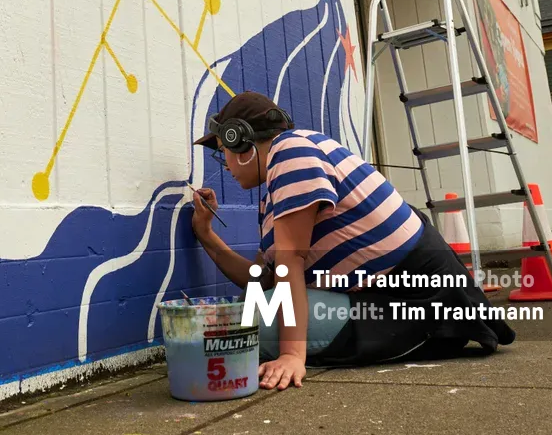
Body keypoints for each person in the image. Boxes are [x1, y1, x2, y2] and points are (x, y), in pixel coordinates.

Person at [191, 91, 515, 391]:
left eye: (225, 153)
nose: (226, 166)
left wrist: (292, 354)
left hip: (413, 304)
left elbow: (290, 261)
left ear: (242, 143)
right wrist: (207, 235)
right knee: (236, 314)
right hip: (392, 301)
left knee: (233, 325)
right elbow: (263, 281)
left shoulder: (290, 152)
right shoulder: (279, 186)